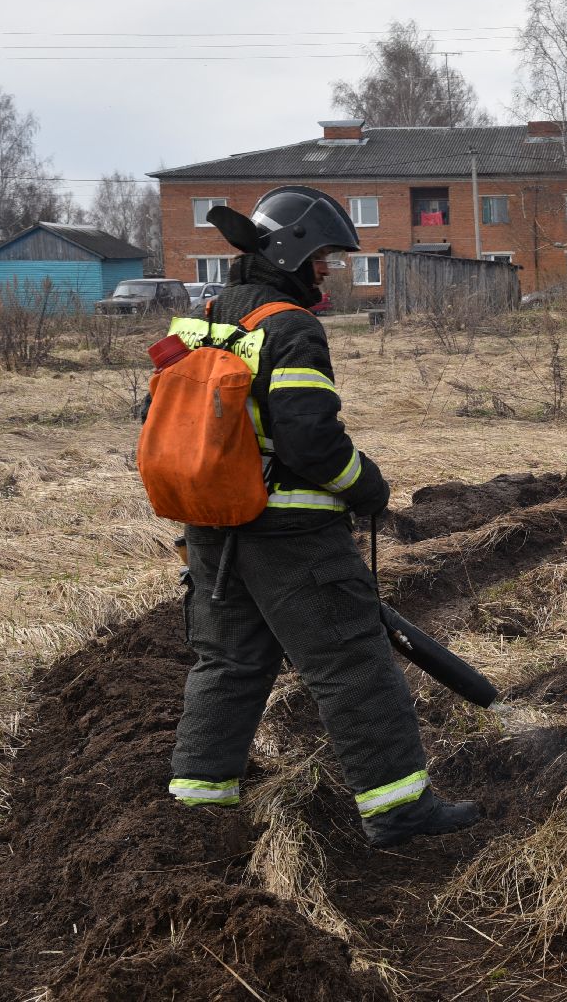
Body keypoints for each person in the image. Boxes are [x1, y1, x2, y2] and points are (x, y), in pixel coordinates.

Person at [165, 185, 479, 848]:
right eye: (325, 257)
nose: (329, 269)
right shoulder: (289, 327)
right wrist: (366, 485)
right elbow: (311, 442)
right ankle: (401, 813)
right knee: (353, 663)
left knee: (227, 662)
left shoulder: (200, 321)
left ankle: (198, 806)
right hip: (290, 533)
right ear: (293, 252)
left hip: (212, 527)